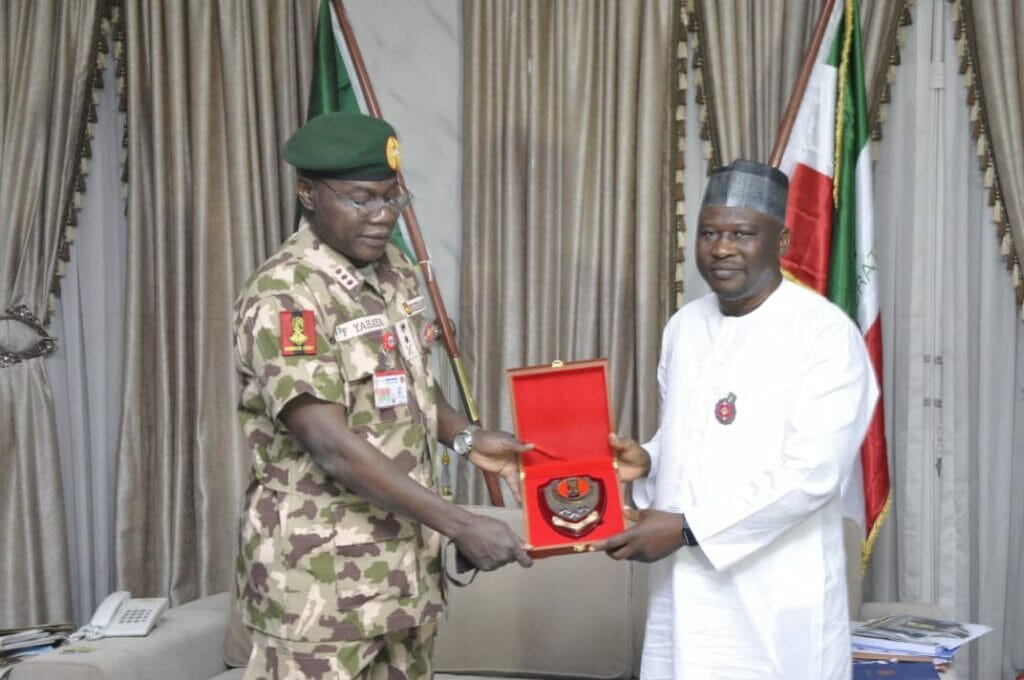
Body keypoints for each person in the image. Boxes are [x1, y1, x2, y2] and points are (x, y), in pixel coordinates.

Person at [232, 111, 532, 679]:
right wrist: (460, 523)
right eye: (361, 199)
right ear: (308, 194)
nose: (381, 217)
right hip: (319, 587)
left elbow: (410, 375)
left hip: (401, 575)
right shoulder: (285, 295)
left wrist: (464, 437)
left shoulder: (392, 268)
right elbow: (329, 444)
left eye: (393, 198)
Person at [594, 159, 879, 680]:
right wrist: (648, 459)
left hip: (774, 602)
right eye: (709, 233)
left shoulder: (823, 334)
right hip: (683, 594)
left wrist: (687, 530)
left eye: (741, 234)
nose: (721, 248)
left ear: (783, 241)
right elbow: (693, 435)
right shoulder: (685, 326)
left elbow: (811, 473)